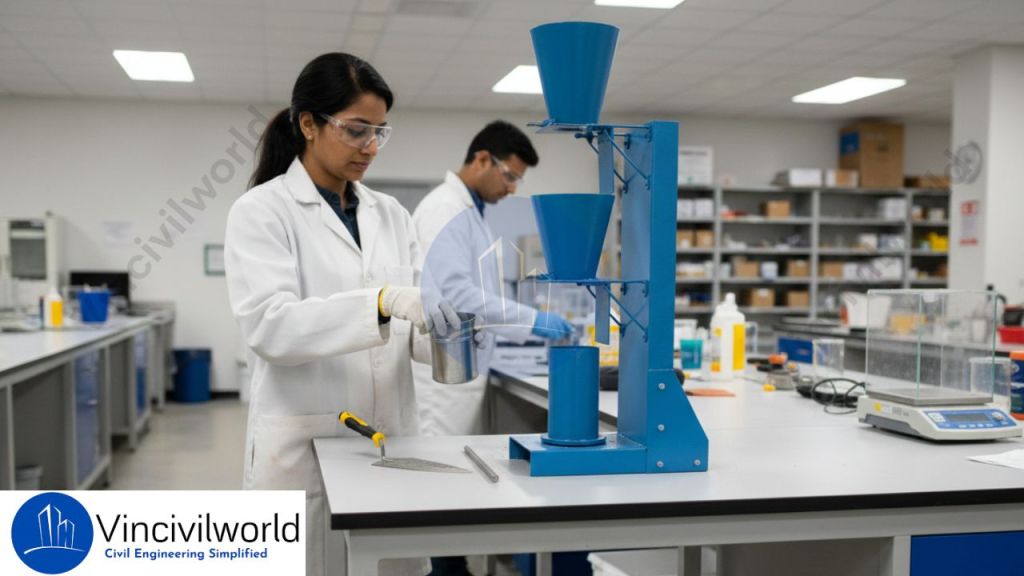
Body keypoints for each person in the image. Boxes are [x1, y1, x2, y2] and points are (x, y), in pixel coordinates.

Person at [225, 52, 457, 576]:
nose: (370, 147)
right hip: (305, 445)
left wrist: (447, 324)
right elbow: (271, 326)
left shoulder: (390, 214)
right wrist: (380, 302)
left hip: (390, 439)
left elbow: (413, 332)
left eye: (380, 132)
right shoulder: (262, 211)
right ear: (309, 123)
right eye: (356, 130)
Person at [412, 121, 573, 575]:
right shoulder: (444, 209)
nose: (513, 187)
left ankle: (452, 562)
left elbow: (477, 295)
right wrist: (532, 321)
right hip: (441, 375)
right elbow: (456, 295)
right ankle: (443, 568)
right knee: (438, 475)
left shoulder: (470, 212)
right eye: (510, 175)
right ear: (482, 159)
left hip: (463, 369)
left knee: (452, 476)